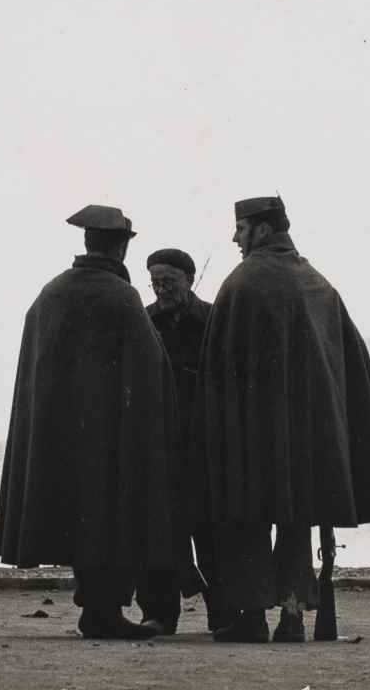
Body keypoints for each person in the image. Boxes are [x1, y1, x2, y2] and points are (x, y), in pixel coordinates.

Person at [200, 196, 370, 643]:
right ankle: (292, 615)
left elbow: (220, 371)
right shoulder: (318, 284)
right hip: (310, 440)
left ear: (262, 230)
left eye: (240, 227)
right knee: (296, 522)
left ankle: (253, 616)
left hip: (252, 436)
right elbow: (348, 369)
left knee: (249, 520)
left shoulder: (242, 284)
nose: (235, 237)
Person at [0, 205, 178, 639]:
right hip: (110, 439)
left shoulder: (51, 292)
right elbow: (152, 371)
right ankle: (102, 612)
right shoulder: (120, 295)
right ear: (123, 246)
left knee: (83, 522)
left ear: (87, 243)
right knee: (111, 522)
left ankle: (98, 610)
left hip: (59, 440)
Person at [133, 247, 224, 634]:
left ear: (189, 279)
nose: (160, 289)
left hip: (204, 443)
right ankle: (158, 614)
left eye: (168, 281)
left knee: (212, 533)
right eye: (154, 283)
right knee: (155, 532)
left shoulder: (214, 320)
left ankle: (223, 613)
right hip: (156, 443)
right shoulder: (144, 321)